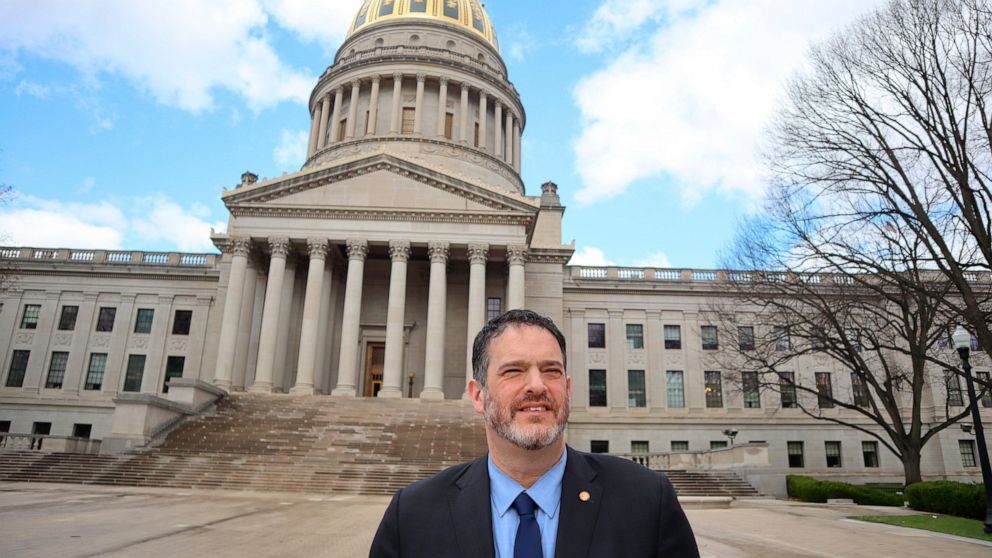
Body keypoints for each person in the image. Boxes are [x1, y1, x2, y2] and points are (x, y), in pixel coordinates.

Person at [370, 309, 699, 557]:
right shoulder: (412, 515)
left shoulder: (646, 501)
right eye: (513, 371)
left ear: (568, 389)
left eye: (551, 371)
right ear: (477, 395)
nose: (537, 386)